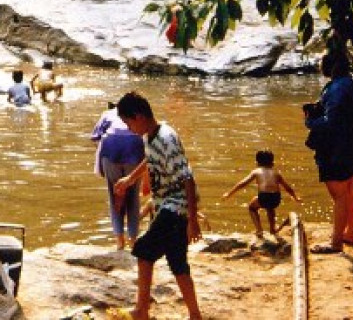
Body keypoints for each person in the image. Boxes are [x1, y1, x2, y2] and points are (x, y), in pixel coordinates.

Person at [113, 91, 203, 320]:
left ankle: (141, 310)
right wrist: (130, 179)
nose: (129, 128)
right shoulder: (149, 136)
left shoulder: (167, 138)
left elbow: (188, 179)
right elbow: (150, 159)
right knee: (177, 262)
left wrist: (193, 222)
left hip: (176, 206)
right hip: (167, 205)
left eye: (128, 122)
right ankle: (195, 315)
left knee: (144, 251)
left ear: (139, 116)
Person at [304, 49, 353, 254]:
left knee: (340, 197)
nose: (320, 67)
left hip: (339, 152)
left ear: (330, 67)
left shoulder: (335, 89)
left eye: (322, 63)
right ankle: (350, 234)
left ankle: (335, 243)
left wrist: (310, 121)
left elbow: (331, 123)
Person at [222, 150, 301, 240]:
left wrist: (229, 193)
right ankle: (272, 229)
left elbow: (243, 183)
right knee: (270, 207)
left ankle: (259, 230)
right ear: (272, 162)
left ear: (257, 162)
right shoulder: (276, 173)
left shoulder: (256, 171)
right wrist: (295, 197)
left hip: (264, 197)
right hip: (276, 198)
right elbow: (287, 187)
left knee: (252, 207)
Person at [100, 124, 146, 251]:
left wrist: (100, 167)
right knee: (133, 197)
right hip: (134, 148)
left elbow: (97, 137)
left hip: (110, 149)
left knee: (114, 195)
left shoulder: (107, 115)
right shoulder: (136, 116)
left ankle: (120, 240)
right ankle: (133, 240)